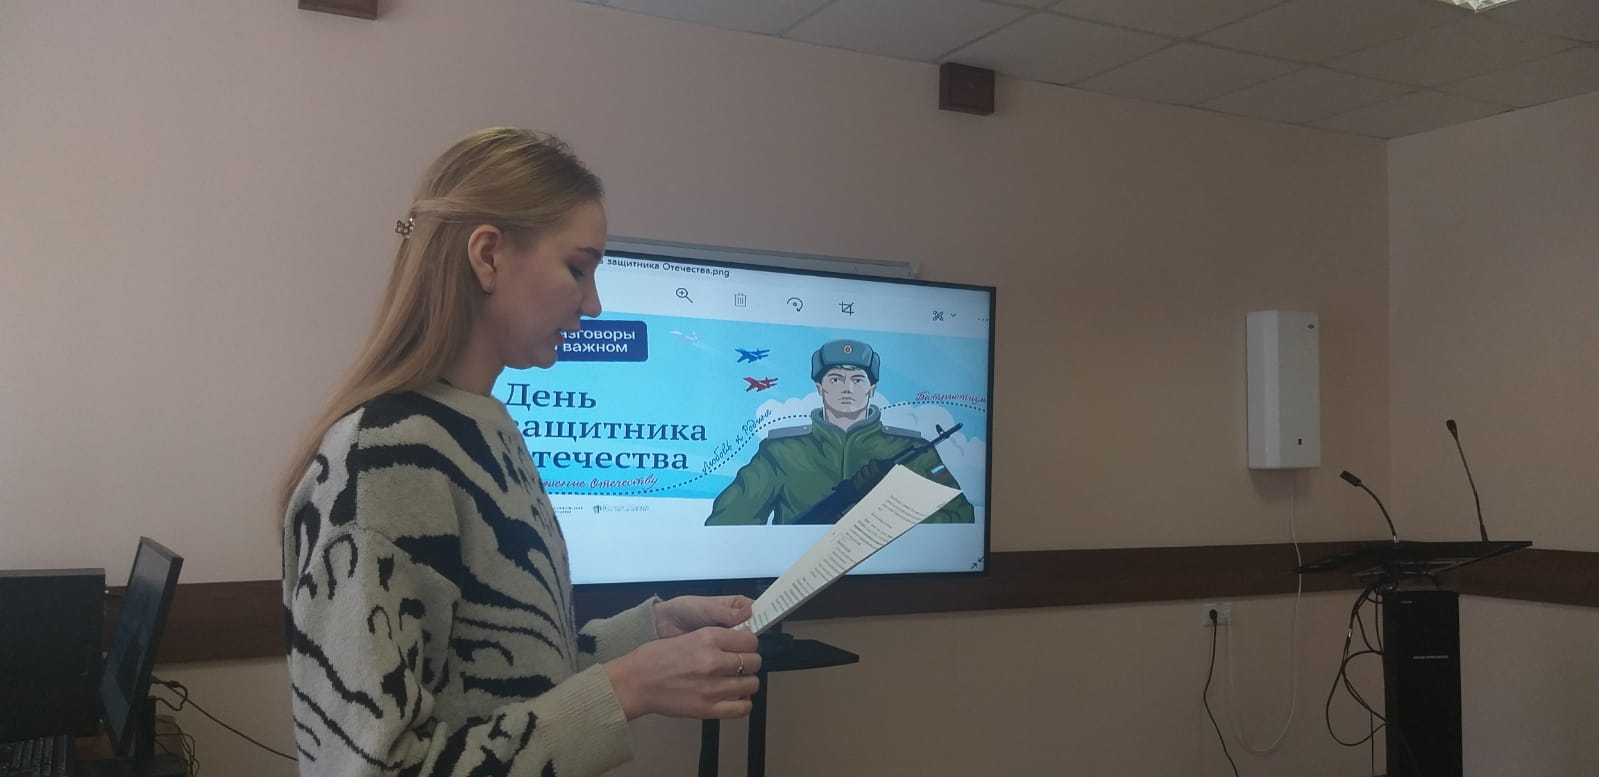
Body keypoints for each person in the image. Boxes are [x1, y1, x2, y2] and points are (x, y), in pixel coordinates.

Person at [279, 128, 761, 777]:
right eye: (578, 268)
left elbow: (500, 677)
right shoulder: (384, 457)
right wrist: (626, 688)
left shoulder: (485, 430)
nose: (594, 304)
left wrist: (648, 633)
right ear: (487, 256)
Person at [704, 338, 975, 525]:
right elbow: (727, 522)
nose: (847, 388)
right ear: (820, 388)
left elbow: (959, 517)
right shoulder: (781, 452)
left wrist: (888, 520)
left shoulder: (913, 451)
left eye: (858, 379)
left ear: (872, 390)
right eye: (835, 379)